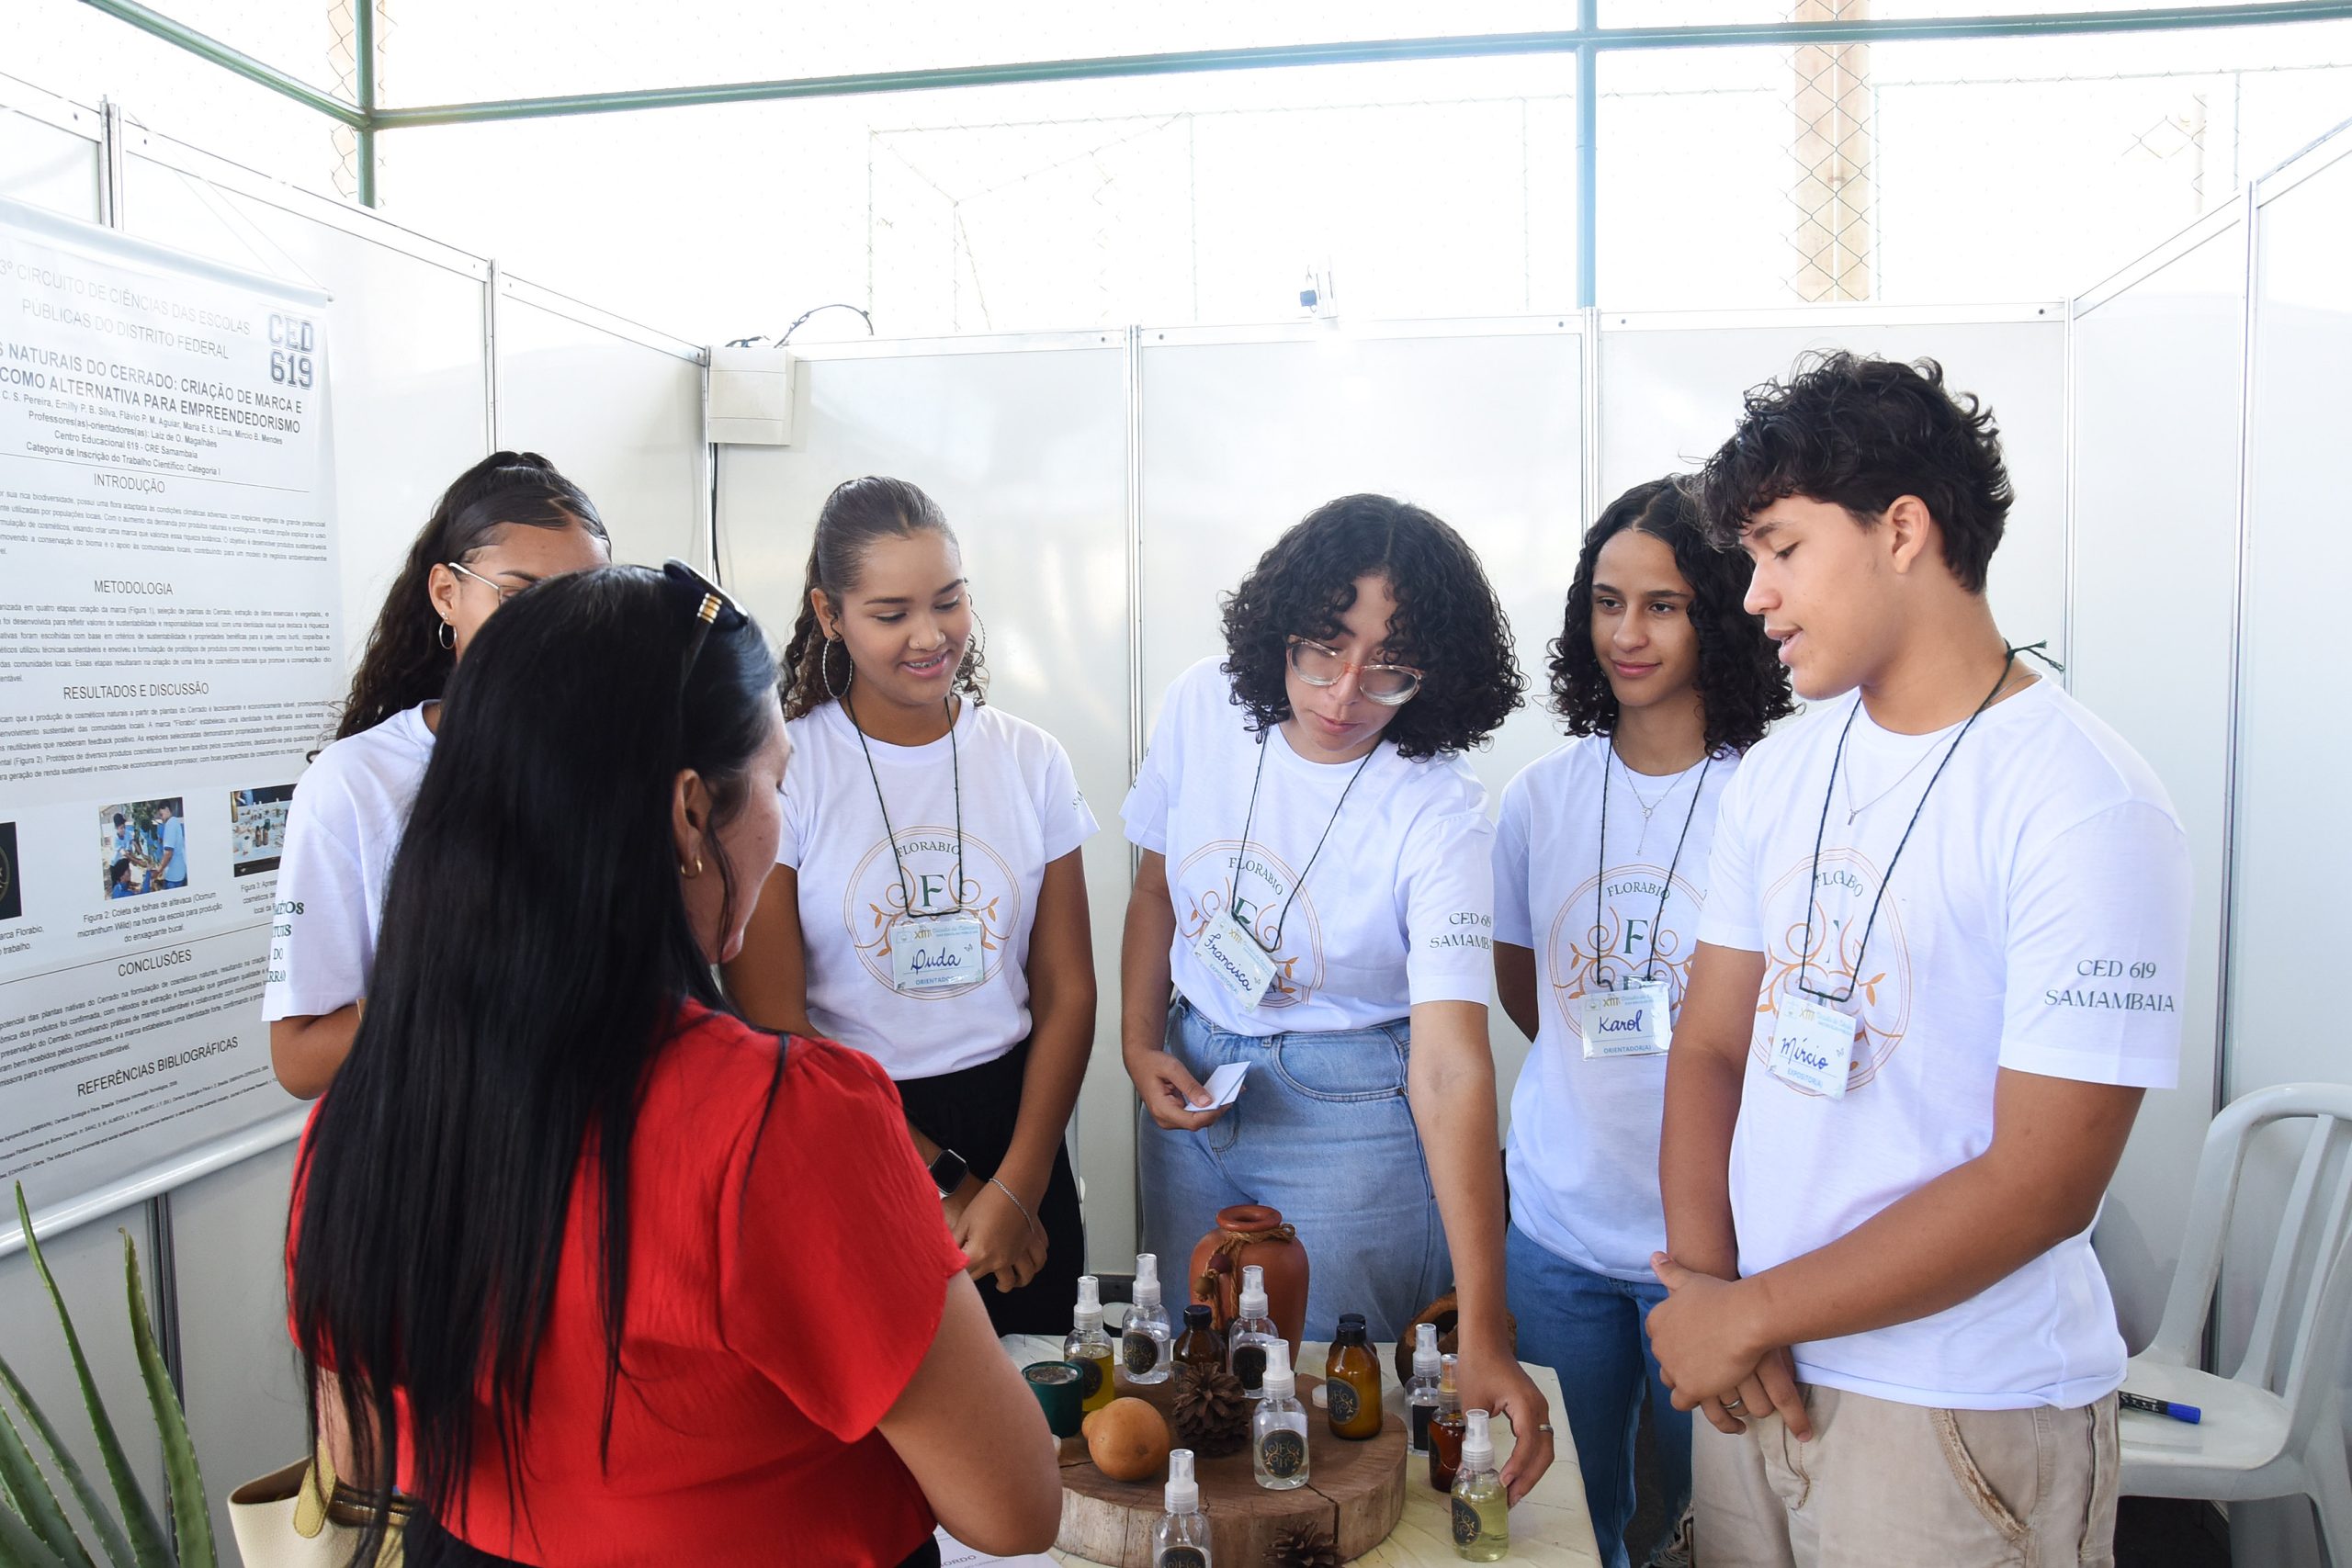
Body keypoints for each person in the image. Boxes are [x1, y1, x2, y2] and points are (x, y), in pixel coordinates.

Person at [287, 563, 1062, 1568]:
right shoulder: (785, 1125)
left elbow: (358, 1452)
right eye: (776, 782)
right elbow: (1014, 1508)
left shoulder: (364, 1113)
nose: (779, 815)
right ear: (691, 813)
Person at [1649, 353, 2192, 1565]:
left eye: (1783, 549)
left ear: (1902, 529)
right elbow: (1713, 1044)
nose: (1755, 596)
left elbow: (2042, 1183)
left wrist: (1747, 1312)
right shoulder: (1781, 771)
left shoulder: (2084, 804)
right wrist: (1707, 1290)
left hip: (1958, 1410)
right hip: (1754, 1376)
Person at [1121, 491, 1555, 1502]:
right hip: (1194, 1081)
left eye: (1390, 667)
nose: (1346, 691)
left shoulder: (1438, 809)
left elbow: (1451, 1065)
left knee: (1333, 1419)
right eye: (1324, 648)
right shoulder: (1202, 706)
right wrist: (1140, 1041)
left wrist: (1486, 1328)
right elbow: (1154, 890)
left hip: (1353, 1118)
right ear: (1282, 626)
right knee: (1201, 1386)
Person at [1495, 477, 1792, 1568]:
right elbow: (1526, 990)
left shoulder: (1777, 792)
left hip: (1724, 1245)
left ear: (1721, 612)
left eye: (1663, 605)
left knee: (1712, 1522)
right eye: (1607, 602)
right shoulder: (1538, 798)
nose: (1627, 634)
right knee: (1564, 1521)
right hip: (1558, 1229)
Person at [725, 477, 1098, 1336]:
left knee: (1045, 1397)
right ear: (830, 614)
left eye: (949, 601)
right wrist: (949, 1185)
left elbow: (1068, 990)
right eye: (891, 614)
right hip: (852, 1127)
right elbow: (776, 1020)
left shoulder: (1031, 760)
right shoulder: (786, 769)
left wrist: (1018, 1185)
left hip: (1018, 1130)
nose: (931, 636)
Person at [264, 453, 610, 1098]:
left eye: (584, 601)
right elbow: (300, 1060)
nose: (557, 631)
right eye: (521, 596)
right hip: (439, 1141)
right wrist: (461, 980)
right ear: (447, 594)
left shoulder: (620, 760)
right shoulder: (356, 782)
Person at [153, 800, 186, 890]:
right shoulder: (175, 822)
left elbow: (168, 853)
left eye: (161, 814)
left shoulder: (170, 824)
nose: (161, 818)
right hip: (179, 872)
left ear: (166, 809)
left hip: (173, 876)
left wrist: (158, 871)